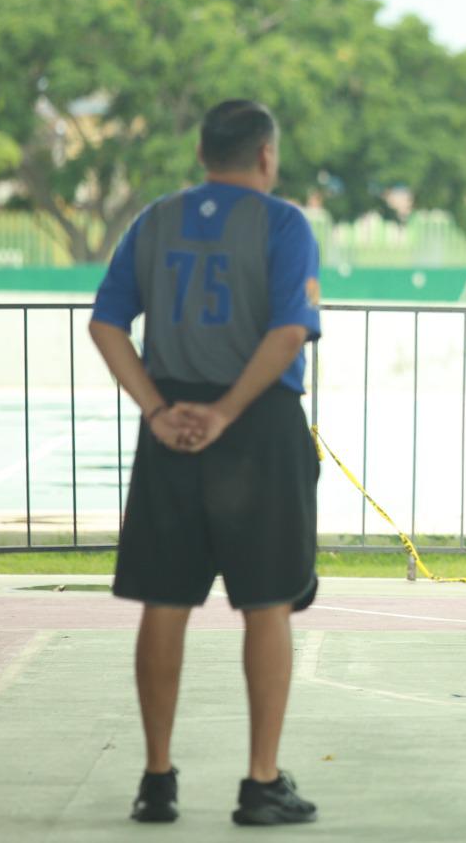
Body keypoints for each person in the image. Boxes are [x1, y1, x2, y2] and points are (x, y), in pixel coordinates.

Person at [89, 100, 322, 826]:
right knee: (267, 602)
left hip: (171, 430)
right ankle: (260, 783)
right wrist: (225, 413)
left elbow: (106, 324)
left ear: (201, 153)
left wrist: (159, 409)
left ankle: (156, 779)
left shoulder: (154, 220)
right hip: (256, 427)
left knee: (166, 601)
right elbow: (289, 331)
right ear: (265, 156)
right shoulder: (284, 224)